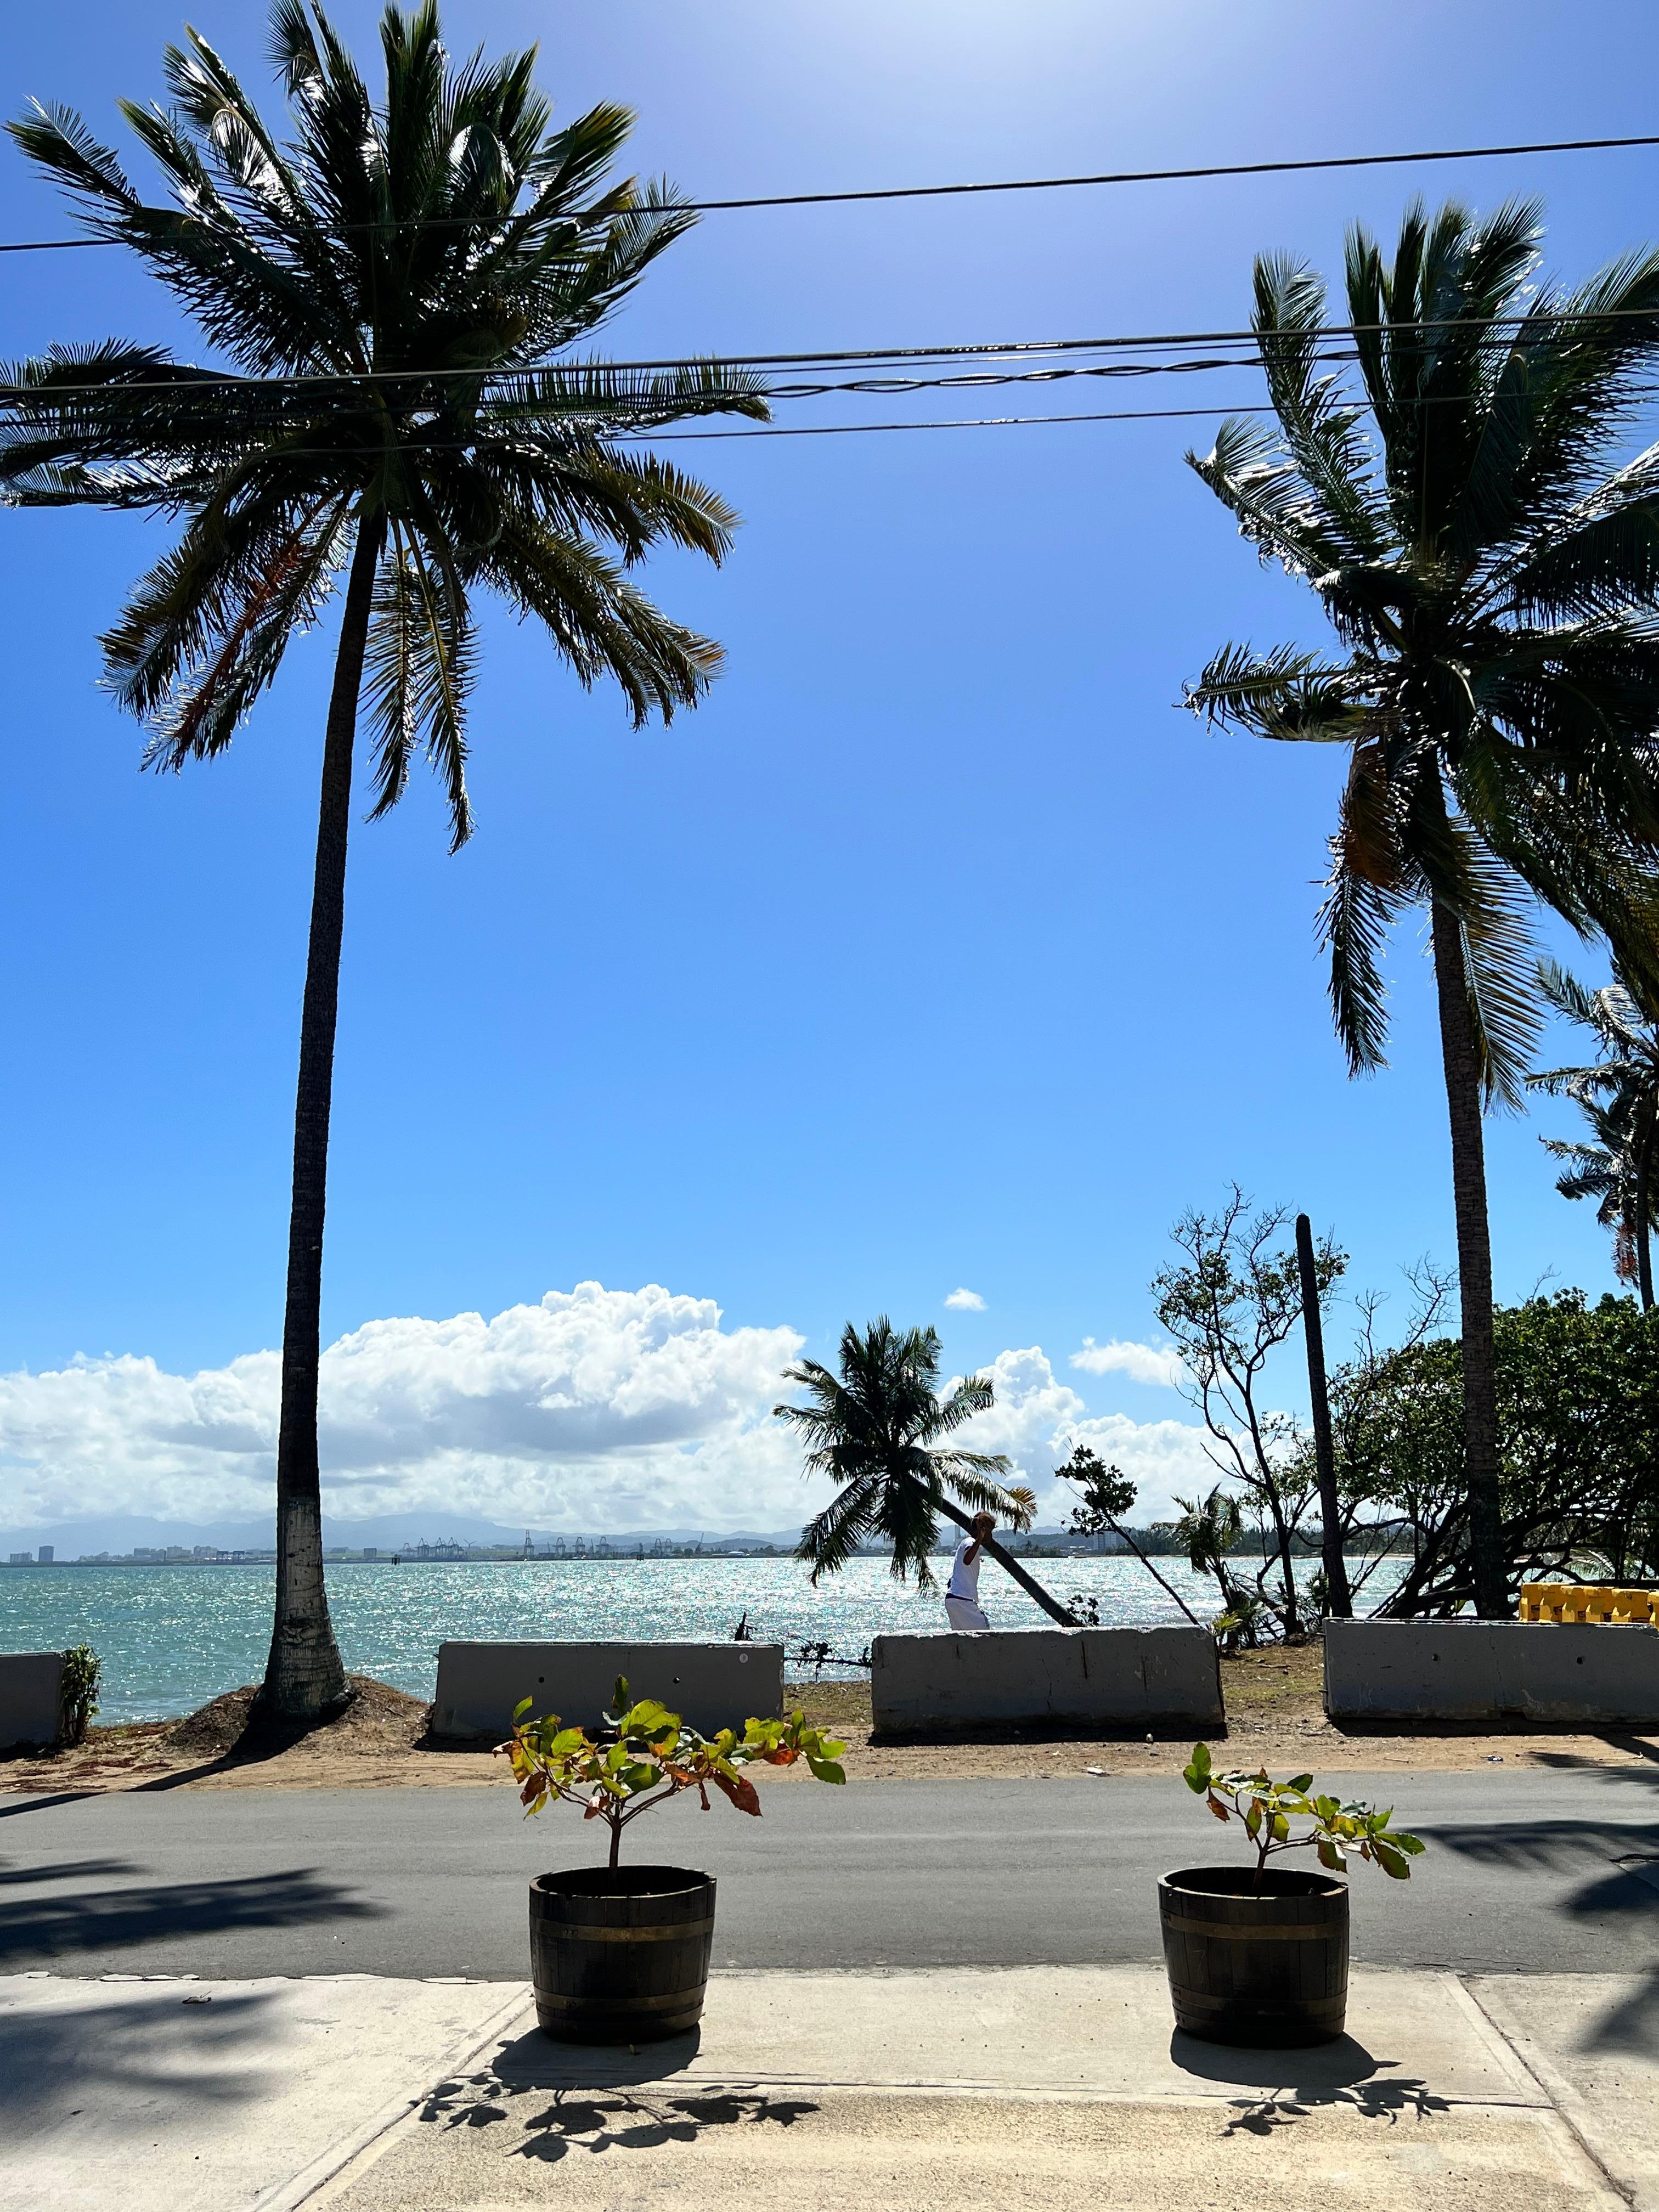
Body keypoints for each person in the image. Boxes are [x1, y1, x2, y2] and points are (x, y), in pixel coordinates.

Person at [944, 1512, 995, 1630]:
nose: (990, 1535)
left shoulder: (969, 1544)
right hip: (963, 1601)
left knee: (963, 1640)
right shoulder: (970, 1542)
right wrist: (980, 1538)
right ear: (982, 1529)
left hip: (954, 1599)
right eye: (989, 1530)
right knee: (984, 1634)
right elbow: (967, 1560)